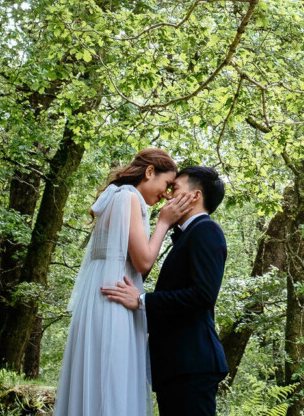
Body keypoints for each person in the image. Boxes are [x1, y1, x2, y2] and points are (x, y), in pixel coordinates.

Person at [54, 148, 195, 416]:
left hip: (99, 294)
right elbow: (142, 263)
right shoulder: (130, 197)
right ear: (149, 172)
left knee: (97, 373)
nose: (166, 194)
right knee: (113, 375)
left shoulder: (116, 196)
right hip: (114, 298)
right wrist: (163, 223)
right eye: (166, 184)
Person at [102, 165, 227, 416]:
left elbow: (202, 295)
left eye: (176, 189)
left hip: (192, 362)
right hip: (175, 365)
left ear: (195, 197)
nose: (168, 196)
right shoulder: (186, 235)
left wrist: (141, 301)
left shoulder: (207, 230)